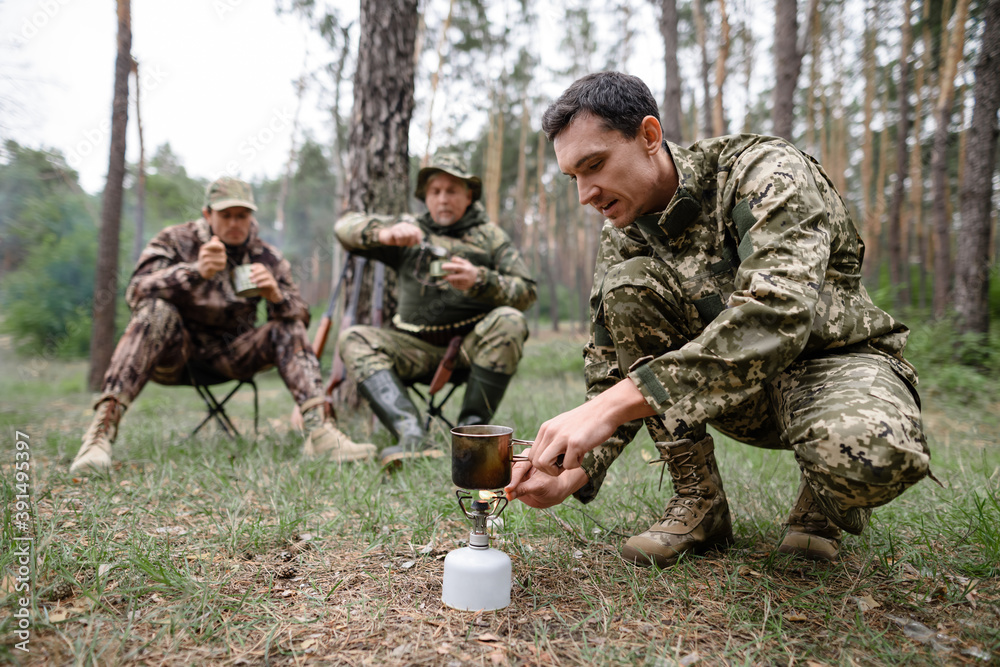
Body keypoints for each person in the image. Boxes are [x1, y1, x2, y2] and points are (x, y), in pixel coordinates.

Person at [505, 71, 931, 565]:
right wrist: (575, 467)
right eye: (572, 177)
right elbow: (612, 366)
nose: (585, 194)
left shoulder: (764, 171)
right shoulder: (623, 232)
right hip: (735, 399)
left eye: (594, 165)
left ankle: (823, 503)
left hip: (833, 367)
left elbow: (775, 316)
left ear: (649, 136)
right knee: (629, 284)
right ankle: (699, 502)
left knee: (865, 454)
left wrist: (616, 404)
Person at [70, 176, 375, 473]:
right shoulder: (176, 240)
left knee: (288, 324)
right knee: (156, 311)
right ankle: (100, 435)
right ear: (207, 214)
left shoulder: (266, 256)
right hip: (175, 355)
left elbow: (301, 318)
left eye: (241, 215)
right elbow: (135, 292)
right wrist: (193, 272)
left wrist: (275, 296)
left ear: (251, 216)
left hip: (233, 354)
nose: (234, 223)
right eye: (225, 215)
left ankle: (320, 432)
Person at [334, 153, 537, 467]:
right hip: (413, 348)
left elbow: (527, 292)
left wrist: (480, 279)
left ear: (468, 195)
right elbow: (343, 227)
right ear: (425, 197)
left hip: (471, 349)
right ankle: (410, 434)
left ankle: (473, 436)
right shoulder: (409, 229)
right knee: (353, 338)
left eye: (452, 191)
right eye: (435, 191)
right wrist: (383, 234)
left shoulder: (490, 236)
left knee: (510, 320)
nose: (443, 199)